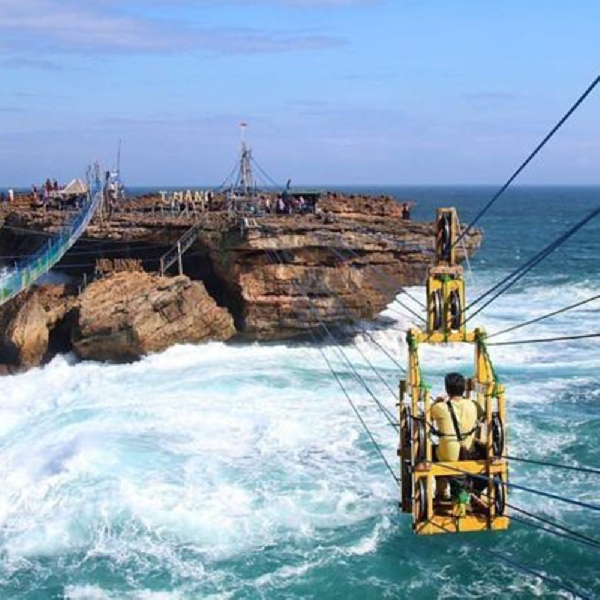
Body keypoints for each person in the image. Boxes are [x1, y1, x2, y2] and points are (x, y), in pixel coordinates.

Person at [431, 372, 482, 499]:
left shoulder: (439, 407)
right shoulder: (474, 405)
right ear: (464, 388)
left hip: (448, 457)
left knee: (430, 452)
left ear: (447, 389)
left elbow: (427, 418)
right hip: (469, 453)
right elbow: (483, 415)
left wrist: (436, 402)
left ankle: (440, 492)